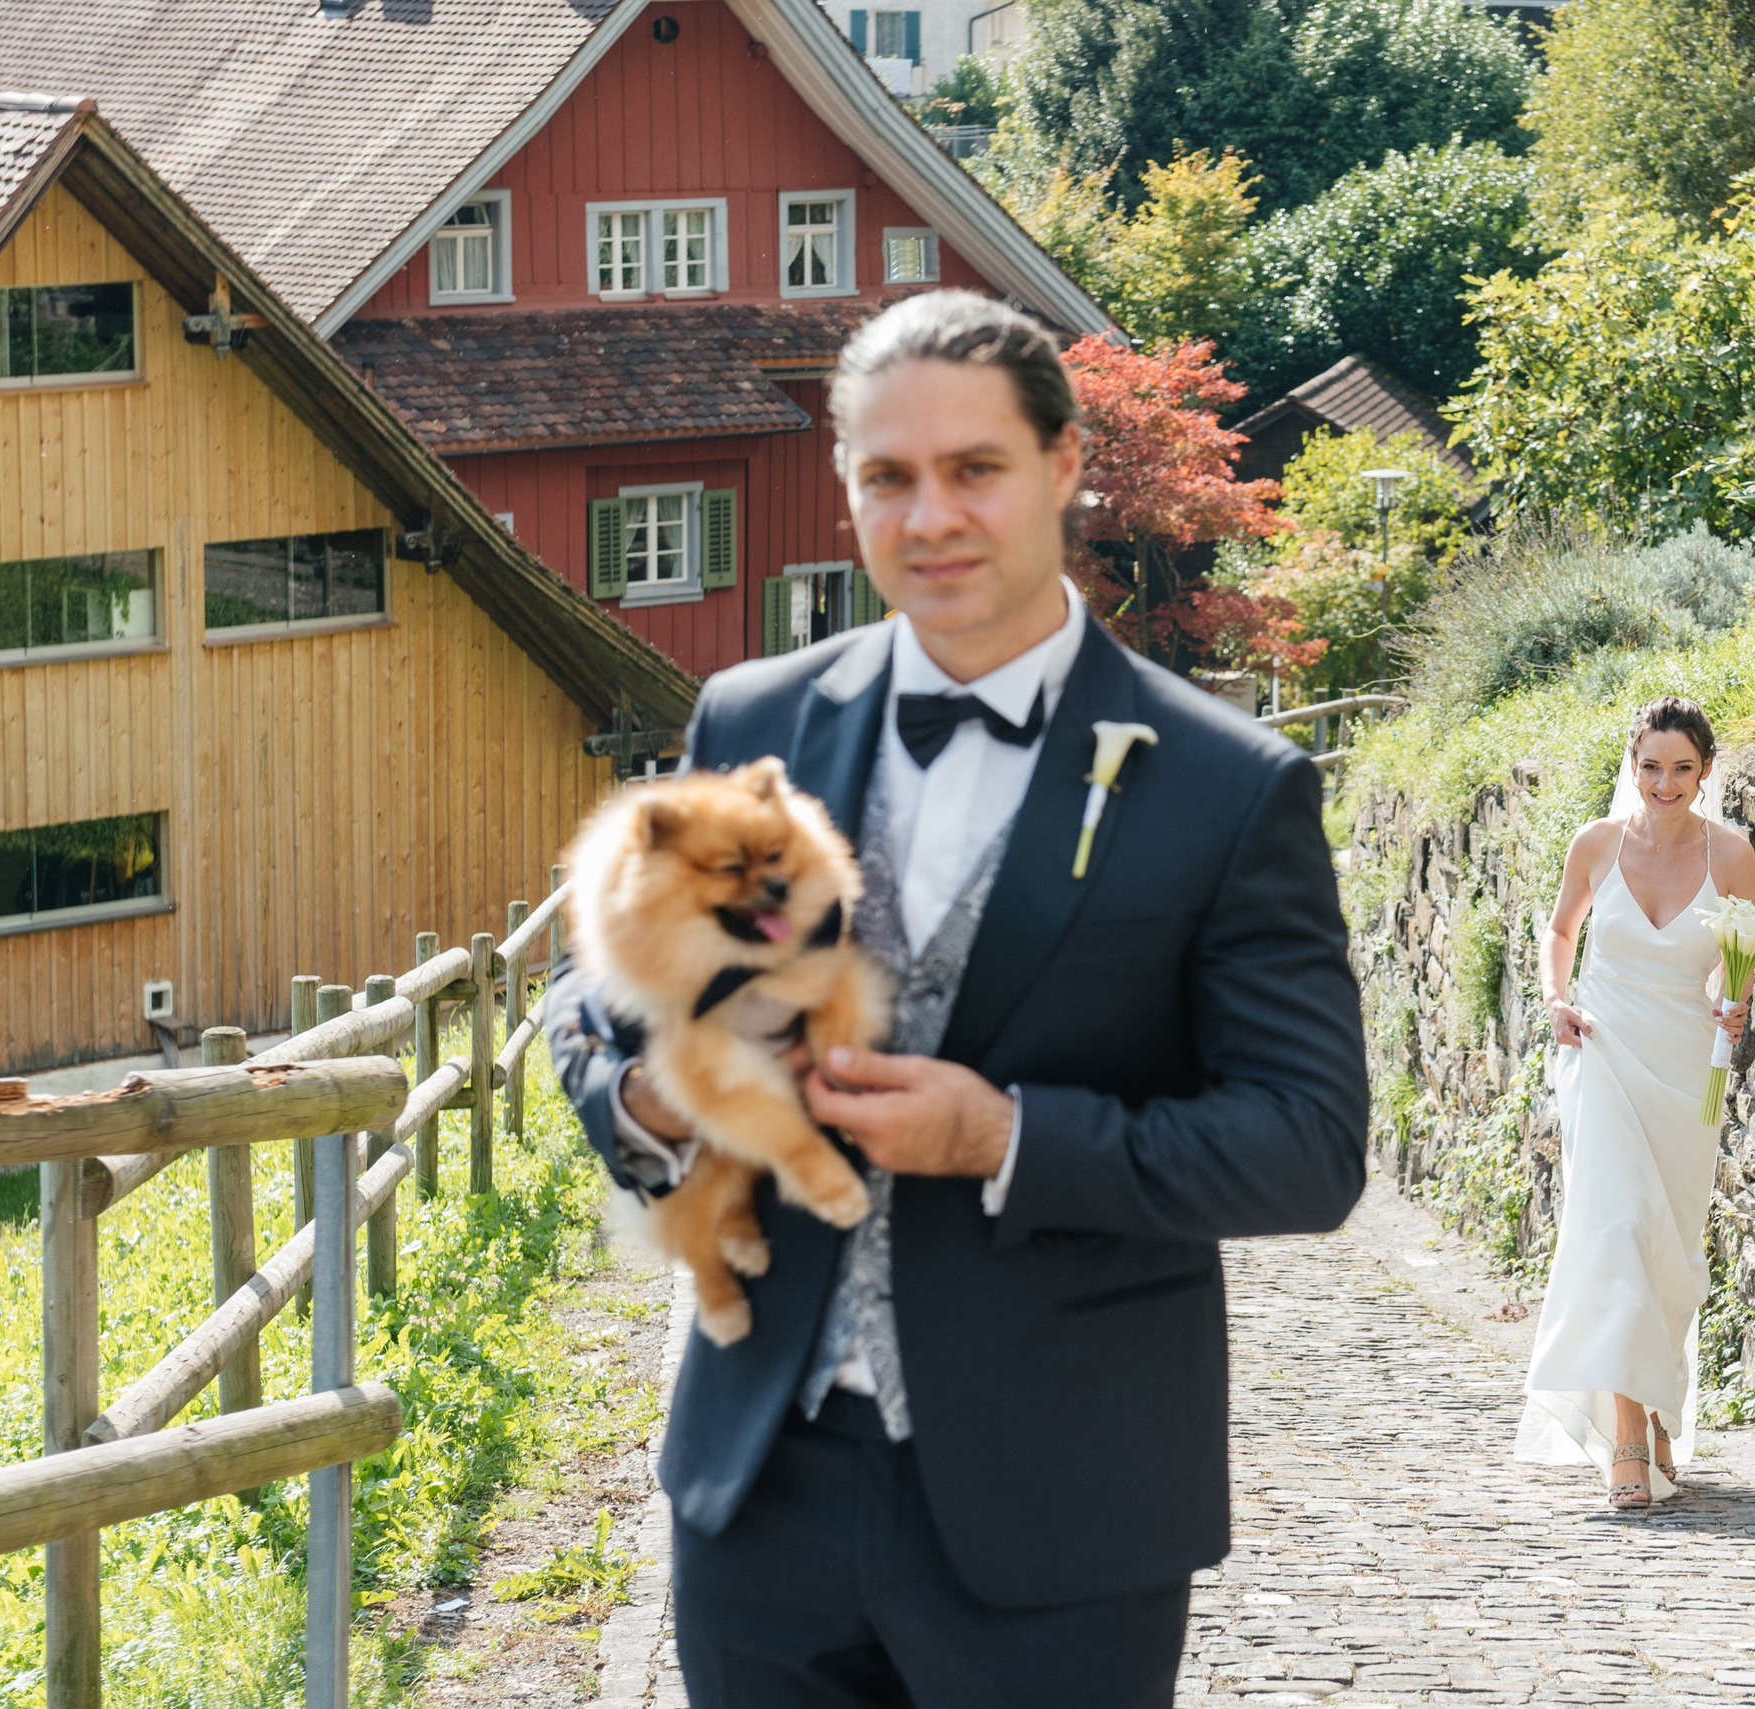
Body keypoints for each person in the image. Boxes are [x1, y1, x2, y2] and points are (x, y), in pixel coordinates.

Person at [543, 290, 1368, 1706]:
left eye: (974, 469)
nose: (930, 517)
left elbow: (1307, 1143)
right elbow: (593, 990)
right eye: (889, 477)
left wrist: (1006, 1138)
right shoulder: (751, 715)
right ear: (848, 488)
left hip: (1064, 1513)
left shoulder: (1233, 788)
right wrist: (640, 1099)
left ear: (1061, 469)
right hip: (758, 1493)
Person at [1514, 697, 1755, 1507]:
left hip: (1688, 1071)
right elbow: (1560, 932)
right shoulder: (1595, 843)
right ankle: (1626, 1432)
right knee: (1615, 1230)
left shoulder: (1731, 855)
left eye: (1682, 768)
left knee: (1669, 1252)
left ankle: (1659, 1408)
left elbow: (1739, 958)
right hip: (1604, 1054)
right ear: (1632, 763)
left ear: (1706, 771)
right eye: (1651, 765)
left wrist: (1736, 1002)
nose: (1665, 782)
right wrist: (1557, 1000)